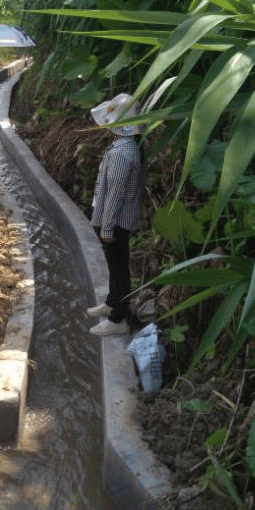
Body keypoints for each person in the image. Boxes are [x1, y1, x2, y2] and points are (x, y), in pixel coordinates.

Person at [86, 93, 146, 336]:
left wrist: (107, 228)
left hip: (117, 222)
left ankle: (117, 319)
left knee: (119, 268)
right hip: (119, 220)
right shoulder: (129, 146)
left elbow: (115, 195)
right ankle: (112, 302)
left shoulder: (123, 153)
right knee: (114, 266)